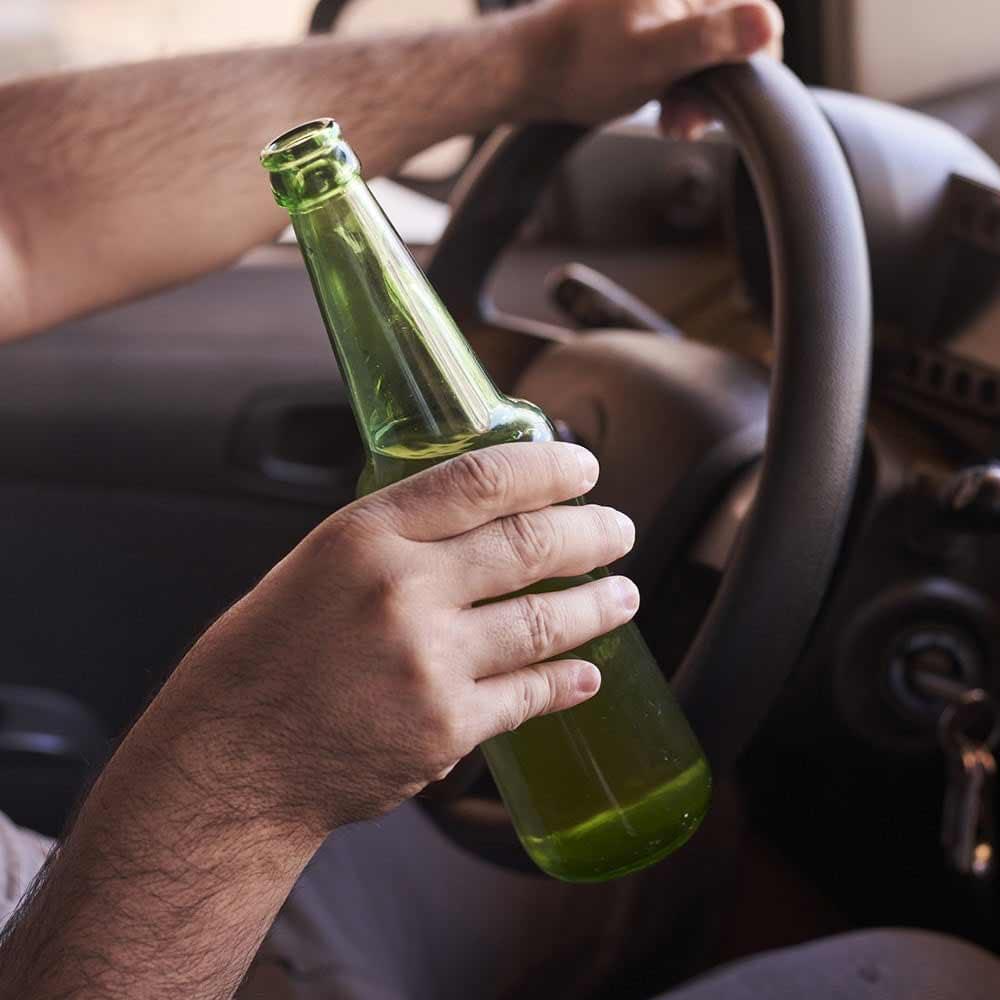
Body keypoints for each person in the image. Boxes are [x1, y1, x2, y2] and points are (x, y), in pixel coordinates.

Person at [0, 2, 998, 998]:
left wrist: (544, 54)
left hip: (55, 890)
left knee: (708, 839)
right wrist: (251, 769)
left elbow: (18, 214)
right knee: (939, 975)